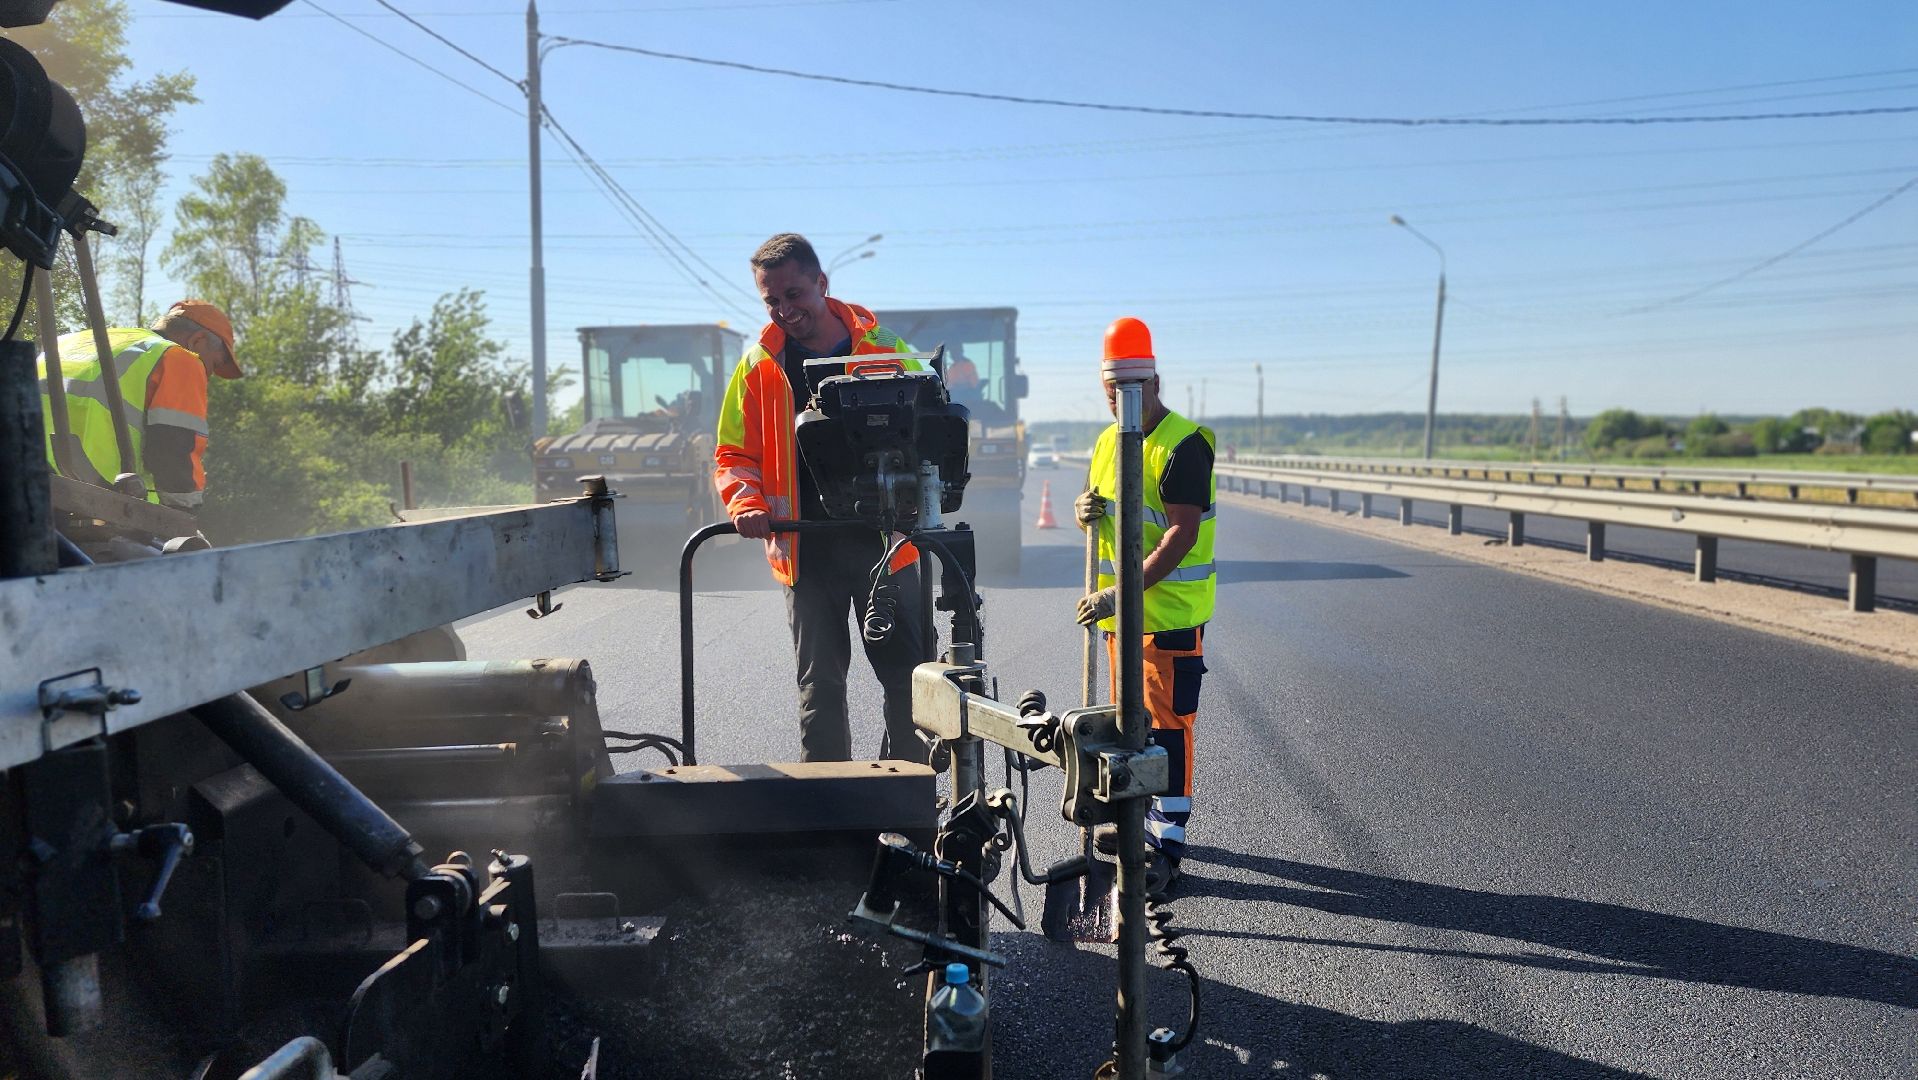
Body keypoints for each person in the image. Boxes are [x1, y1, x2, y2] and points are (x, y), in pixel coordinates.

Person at [713, 233, 932, 763]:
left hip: (885, 545)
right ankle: (831, 812)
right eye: (771, 300)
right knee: (821, 690)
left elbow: (933, 427)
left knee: (909, 684)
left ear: (822, 283)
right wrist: (746, 503)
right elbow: (732, 454)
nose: (784, 310)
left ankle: (908, 799)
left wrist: (915, 500)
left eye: (794, 294)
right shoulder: (758, 366)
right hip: (804, 551)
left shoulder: (884, 350)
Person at [1074, 316, 1216, 892]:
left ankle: (1169, 840)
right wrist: (1090, 507)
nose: (1119, 401)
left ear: (1154, 381)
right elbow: (1115, 510)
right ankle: (1138, 816)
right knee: (1129, 722)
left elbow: (1179, 534)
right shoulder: (1109, 440)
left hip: (1169, 618)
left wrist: (1121, 593)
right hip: (1122, 619)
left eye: (1129, 389)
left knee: (1168, 728)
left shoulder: (1184, 444)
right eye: (1111, 389)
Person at [38, 299, 243, 512]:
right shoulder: (180, 360)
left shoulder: (72, 343)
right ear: (197, 341)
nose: (209, 374)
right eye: (215, 364)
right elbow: (173, 451)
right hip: (102, 510)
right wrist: (184, 518)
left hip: (29, 491)